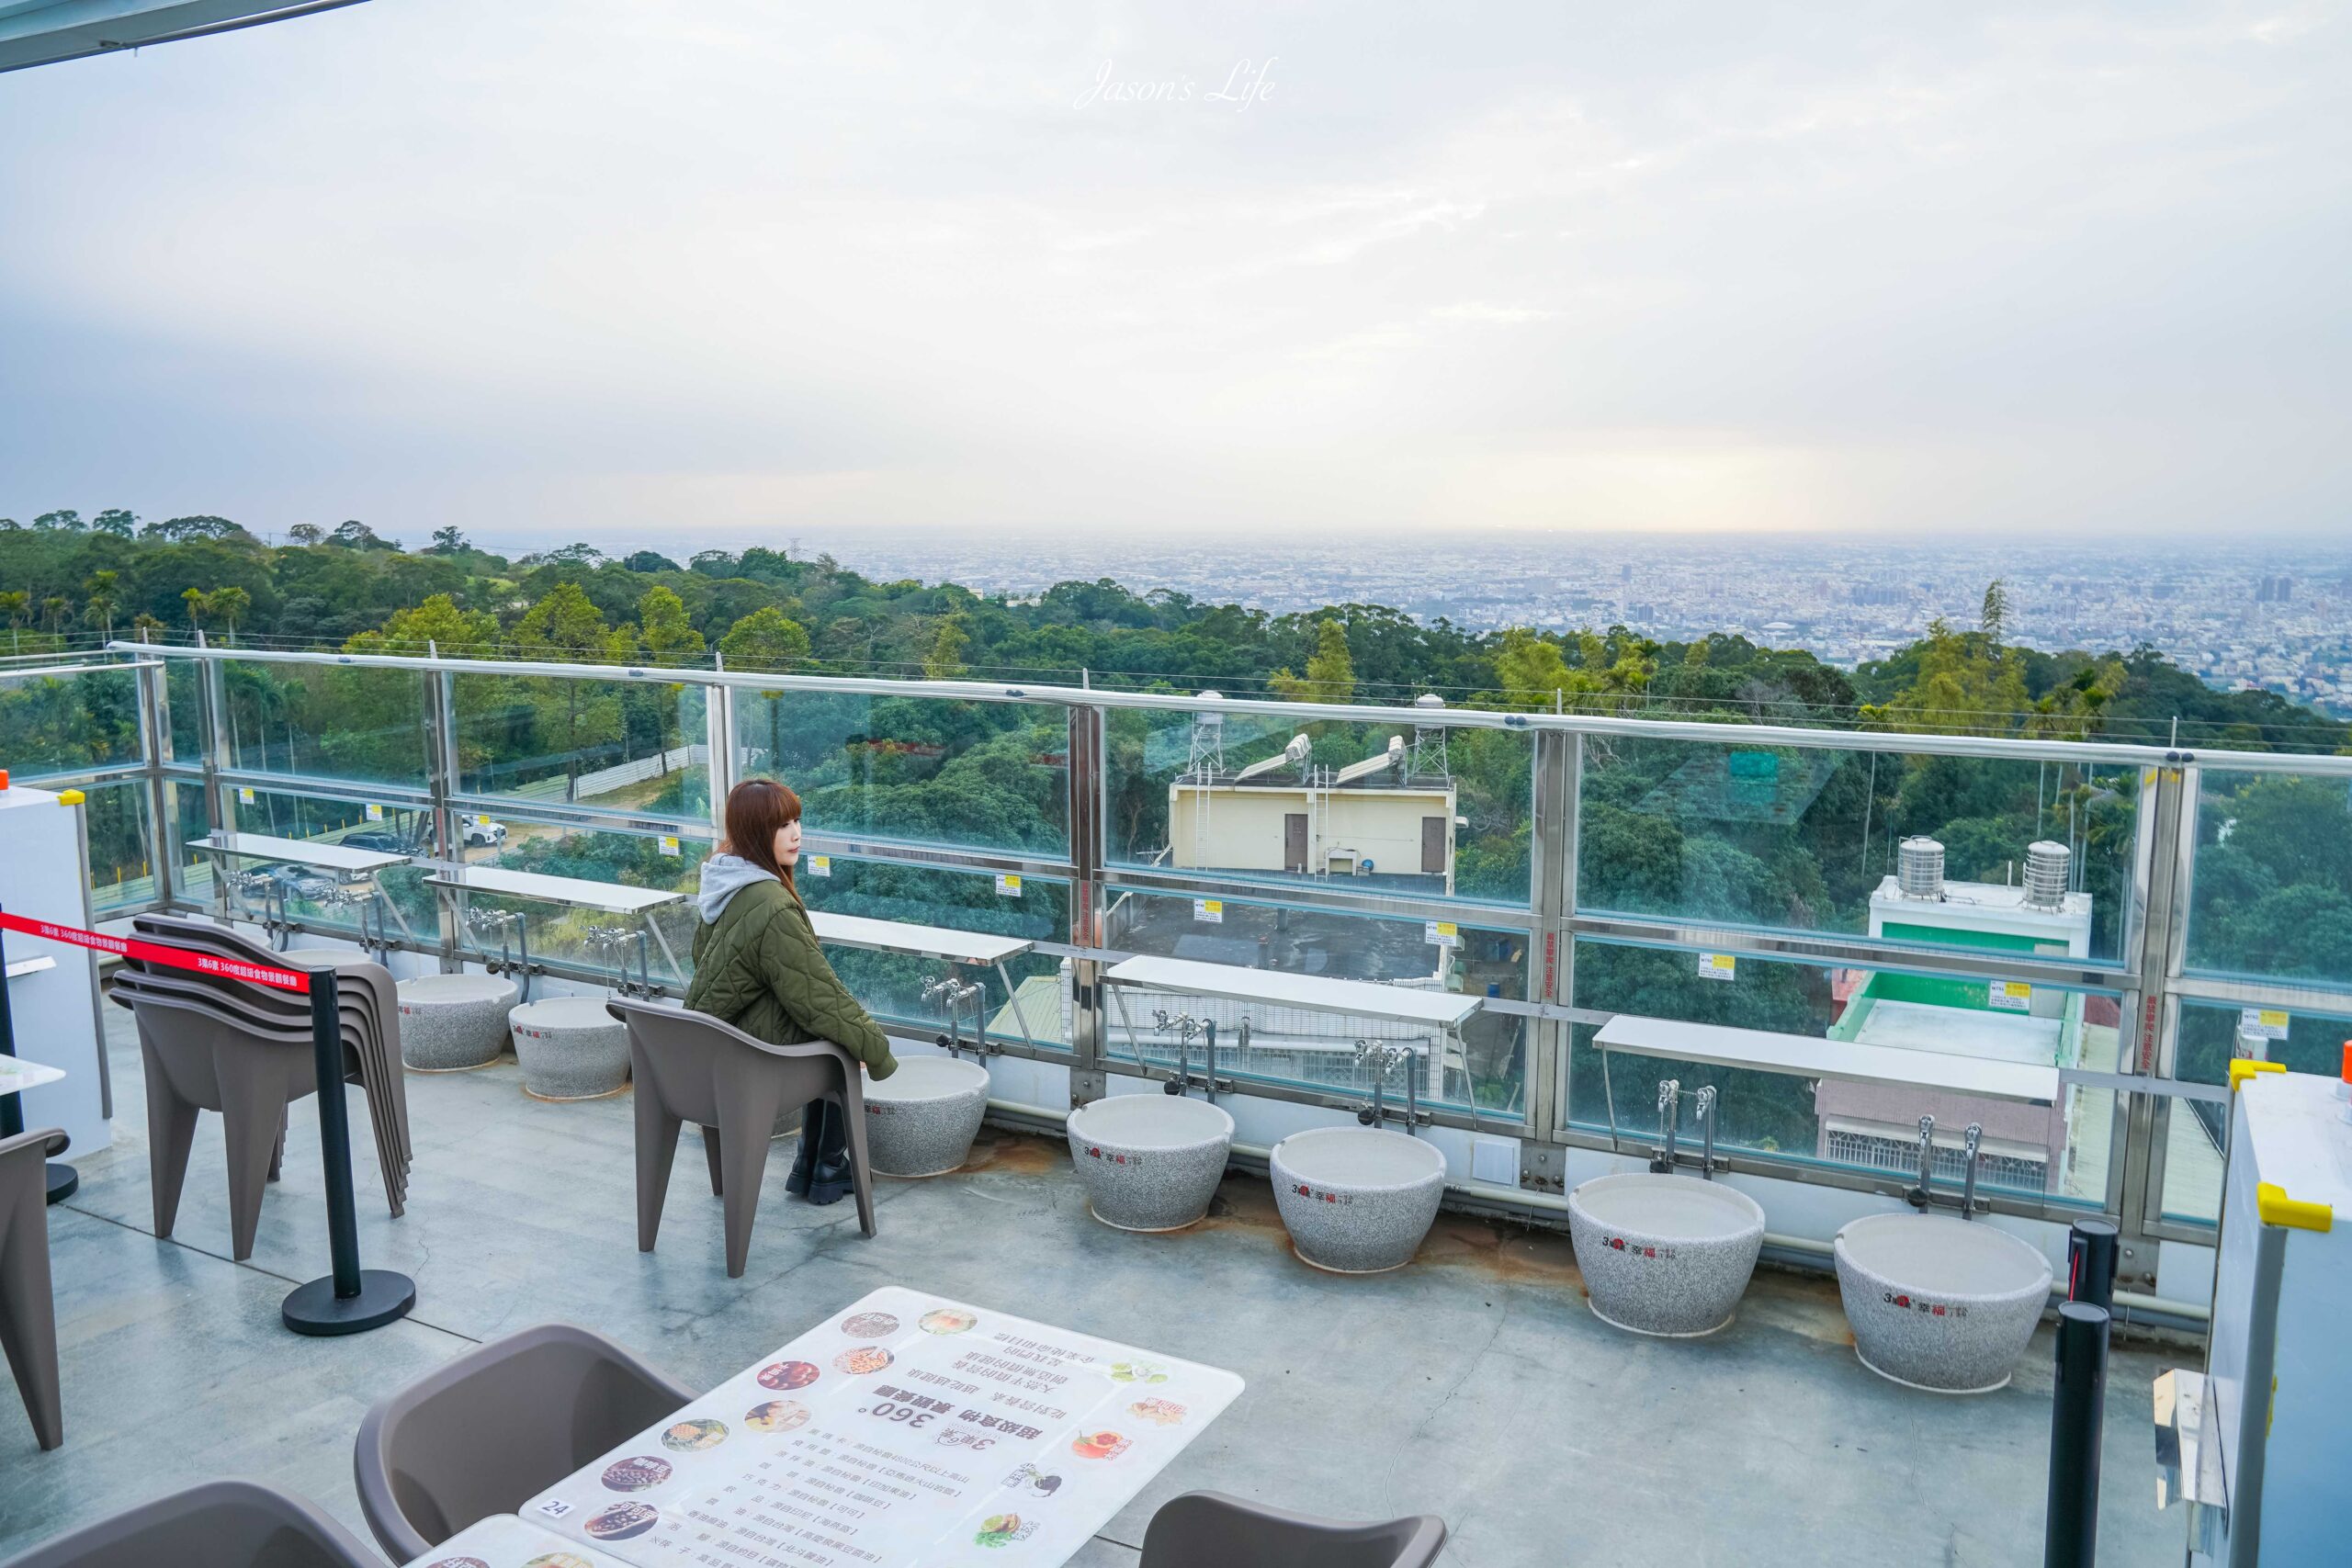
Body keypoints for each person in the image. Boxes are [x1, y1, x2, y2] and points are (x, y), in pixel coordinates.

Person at [686, 778, 896, 1204]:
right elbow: (819, 996)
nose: (797, 833)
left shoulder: (723, 882)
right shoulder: (771, 902)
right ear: (753, 832)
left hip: (703, 1048)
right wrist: (877, 1052)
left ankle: (813, 1165)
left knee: (825, 1028)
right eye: (781, 825)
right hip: (742, 1060)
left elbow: (705, 959)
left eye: (797, 820)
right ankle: (825, 1165)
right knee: (840, 1045)